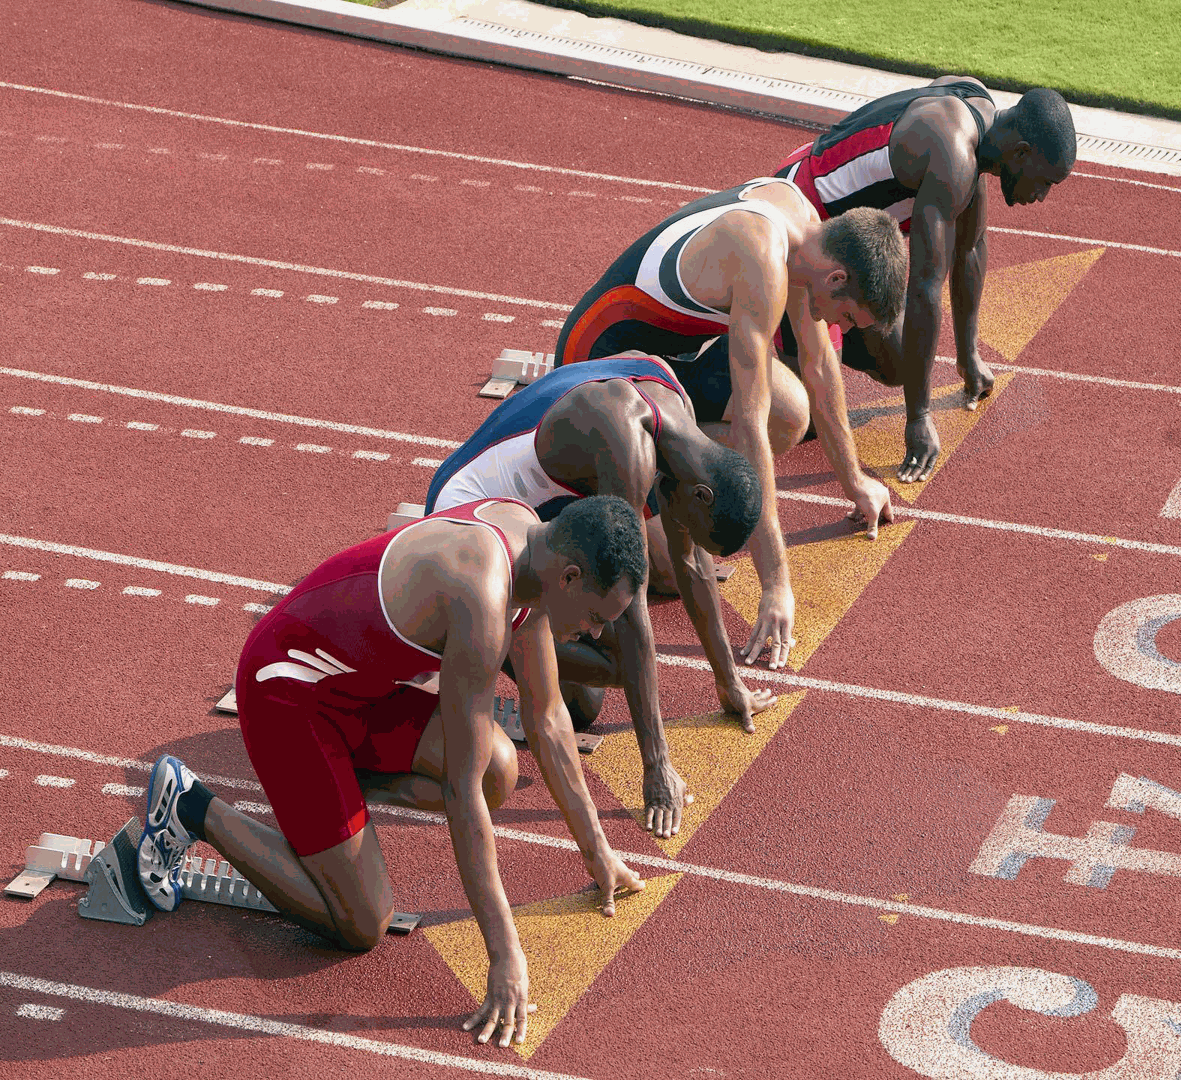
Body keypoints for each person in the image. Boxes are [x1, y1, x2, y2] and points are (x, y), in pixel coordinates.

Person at [137, 496, 648, 1050]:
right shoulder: (480, 594)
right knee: (361, 924)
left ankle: (328, 803)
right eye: (599, 617)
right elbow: (460, 791)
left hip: (362, 691)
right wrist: (504, 953)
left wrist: (600, 854)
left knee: (500, 768)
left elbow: (548, 720)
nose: (597, 635)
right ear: (570, 577)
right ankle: (191, 805)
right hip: (288, 692)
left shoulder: (536, 550)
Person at [554, 176, 907, 670]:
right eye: (848, 317)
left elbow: (821, 366)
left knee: (793, 412)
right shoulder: (762, 258)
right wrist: (776, 584)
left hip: (671, 358)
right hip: (599, 361)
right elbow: (748, 425)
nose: (844, 329)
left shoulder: (809, 234)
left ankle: (663, 458)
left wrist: (856, 481)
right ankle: (638, 465)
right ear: (838, 279)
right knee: (670, 571)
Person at [424, 352, 777, 839]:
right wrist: (656, 768)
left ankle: (523, 648)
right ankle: (485, 642)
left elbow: (693, 564)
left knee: (592, 697)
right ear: (702, 496)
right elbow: (631, 601)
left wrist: (728, 682)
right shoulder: (626, 445)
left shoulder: (679, 417)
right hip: (466, 515)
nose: (695, 544)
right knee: (616, 663)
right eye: (702, 530)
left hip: (531, 519)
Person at [776, 81, 1076, 482]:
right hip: (800, 221)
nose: (1040, 197)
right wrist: (918, 417)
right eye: (1045, 182)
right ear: (1020, 152)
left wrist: (968, 356)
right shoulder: (952, 154)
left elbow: (970, 247)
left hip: (841, 238)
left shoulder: (979, 116)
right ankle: (761, 337)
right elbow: (925, 286)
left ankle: (812, 336)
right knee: (803, 420)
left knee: (900, 357)